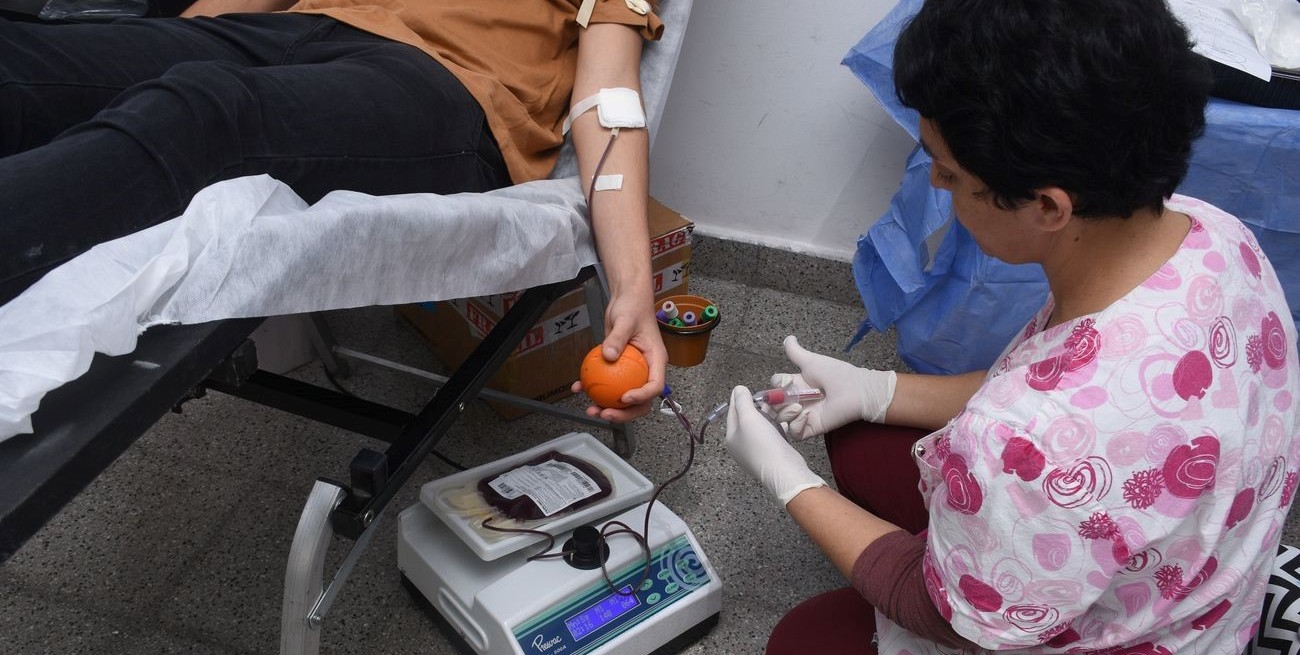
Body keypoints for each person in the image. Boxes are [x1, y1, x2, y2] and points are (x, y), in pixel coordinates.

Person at [723, 0, 1300, 652]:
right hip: (1196, 574)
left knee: (804, 639)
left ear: (1048, 206)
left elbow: (939, 614)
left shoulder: (1028, 439)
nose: (936, 183)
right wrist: (878, 390)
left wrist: (787, 480)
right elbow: (1052, 384)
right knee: (862, 441)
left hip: (1136, 629)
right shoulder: (1216, 235)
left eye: (949, 173)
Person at [0, 0, 668, 420]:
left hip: (445, 85)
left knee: (196, 117)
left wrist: (634, 289)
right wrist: (146, 51)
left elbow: (608, 99)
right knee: (25, 59)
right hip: (298, 26)